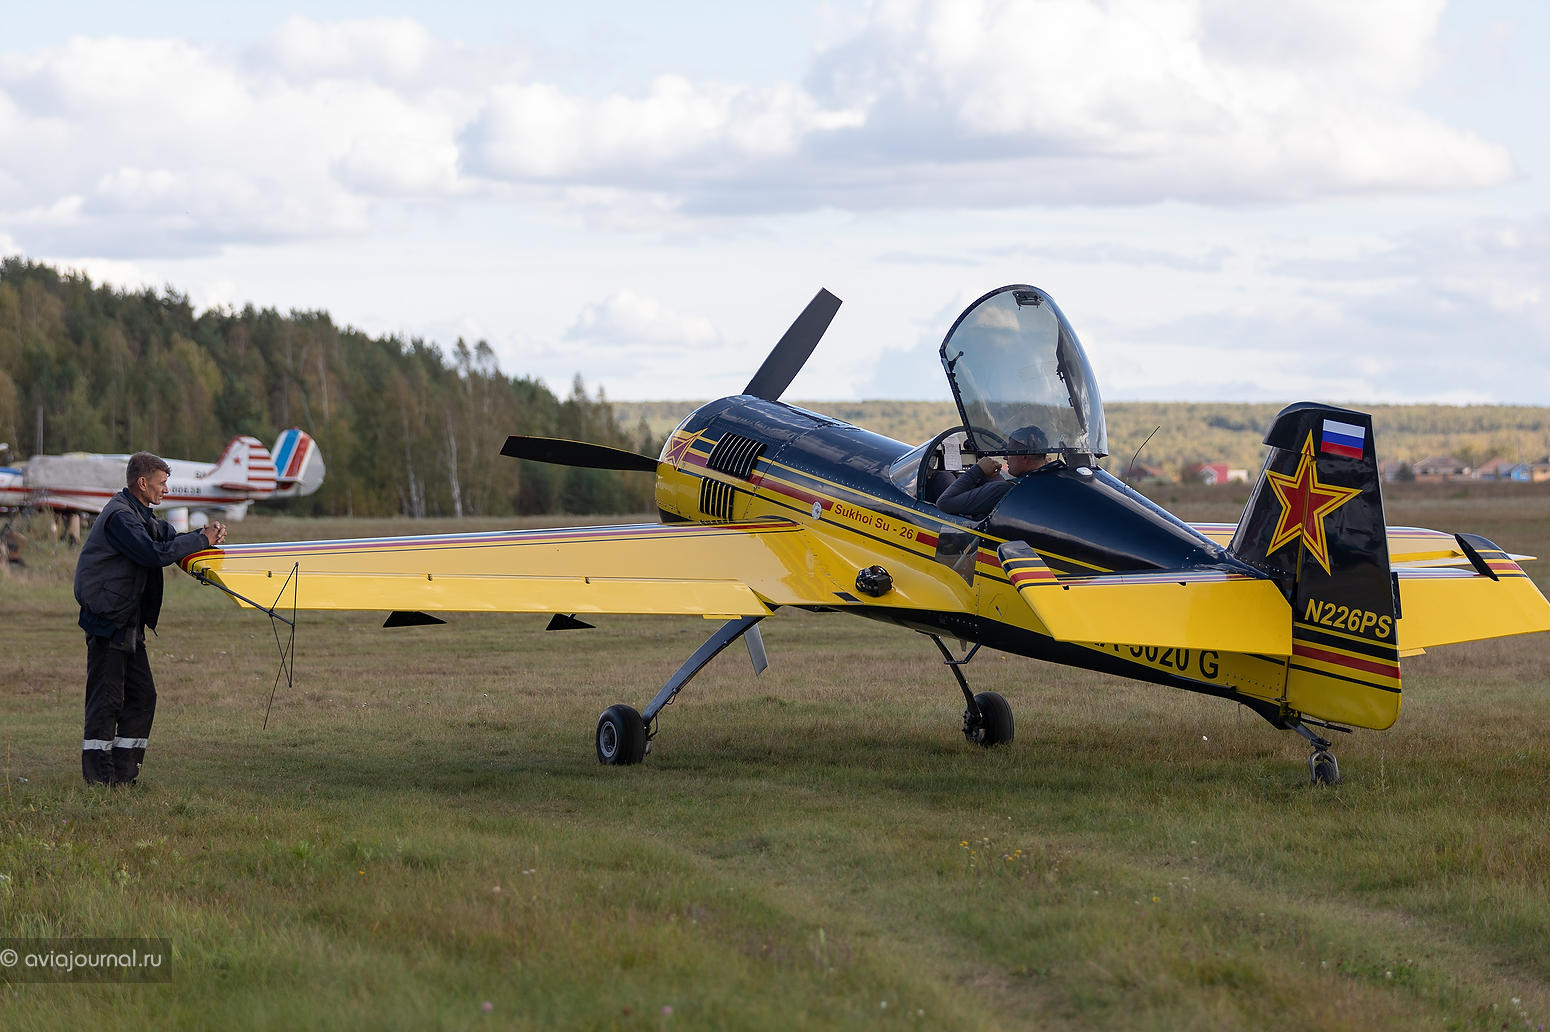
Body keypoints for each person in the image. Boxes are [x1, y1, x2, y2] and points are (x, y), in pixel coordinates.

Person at [73, 452, 226, 786]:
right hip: (108, 622)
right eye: (162, 483)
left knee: (143, 696)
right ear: (142, 483)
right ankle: (98, 780)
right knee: (106, 701)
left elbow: (168, 538)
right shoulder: (120, 517)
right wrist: (201, 540)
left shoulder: (141, 514)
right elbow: (152, 554)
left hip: (128, 622)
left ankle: (124, 775)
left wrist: (202, 535)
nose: (166, 489)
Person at [936, 425, 1060, 519]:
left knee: (943, 477)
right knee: (988, 478)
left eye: (1009, 452)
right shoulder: (1051, 480)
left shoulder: (1003, 490)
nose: (1005, 457)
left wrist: (977, 470)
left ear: (1025, 457)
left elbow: (944, 503)